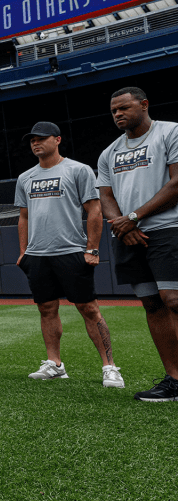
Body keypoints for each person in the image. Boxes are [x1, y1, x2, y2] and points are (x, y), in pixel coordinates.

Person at [15, 122, 124, 387]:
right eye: (32, 140)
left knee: (88, 308)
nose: (35, 143)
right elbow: (24, 216)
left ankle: (110, 367)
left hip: (71, 251)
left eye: (41, 138)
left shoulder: (78, 170)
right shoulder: (25, 177)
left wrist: (92, 248)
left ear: (58, 140)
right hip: (38, 255)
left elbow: (94, 210)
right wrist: (23, 252)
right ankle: (55, 364)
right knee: (46, 309)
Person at [97, 87, 178, 402]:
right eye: (114, 110)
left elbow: (176, 182)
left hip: (167, 228)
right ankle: (174, 379)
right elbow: (105, 196)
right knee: (151, 303)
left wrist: (133, 216)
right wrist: (122, 225)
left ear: (144, 105)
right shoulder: (109, 152)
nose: (118, 114)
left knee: (173, 299)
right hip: (129, 235)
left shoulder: (169, 132)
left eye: (124, 108)